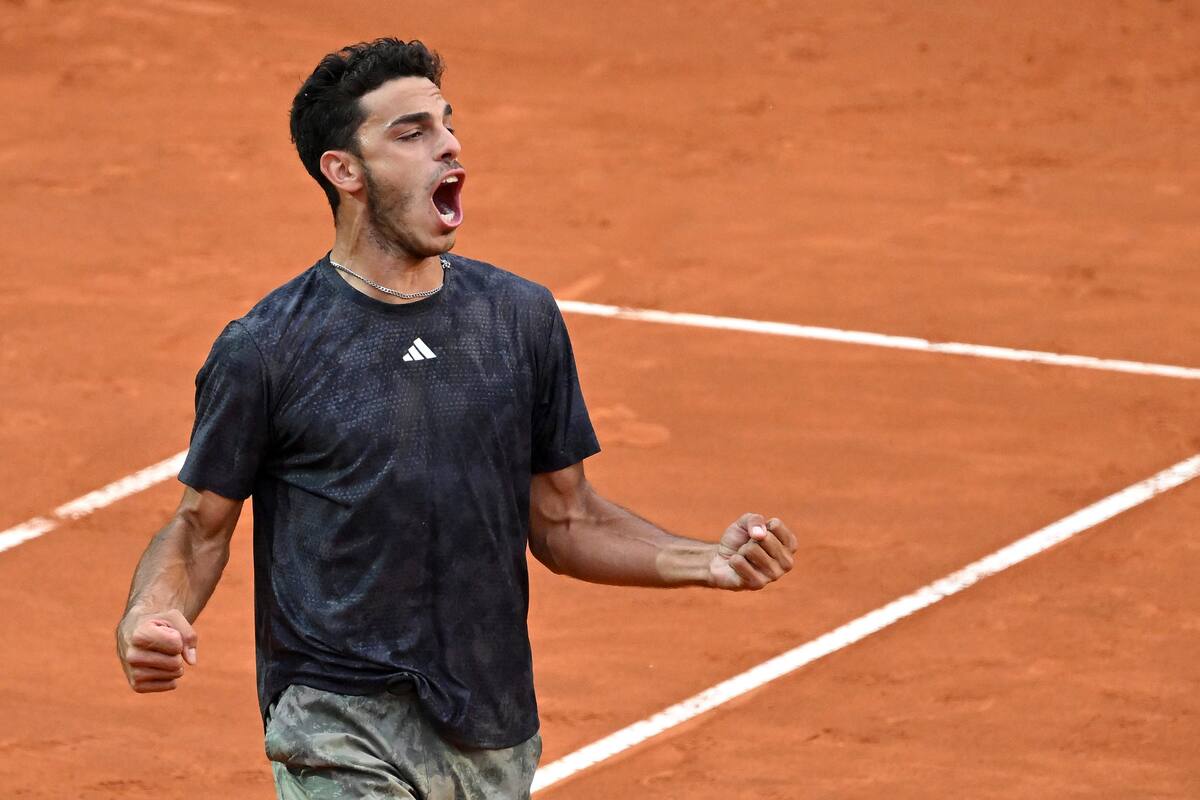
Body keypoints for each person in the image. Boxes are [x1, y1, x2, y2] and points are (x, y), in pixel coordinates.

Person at [114, 37, 797, 800]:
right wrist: (151, 614)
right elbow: (199, 528)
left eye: (446, 123)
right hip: (336, 717)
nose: (448, 144)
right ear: (344, 171)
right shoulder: (268, 348)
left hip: (490, 723)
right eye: (411, 132)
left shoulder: (519, 318)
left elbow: (565, 520)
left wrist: (705, 560)